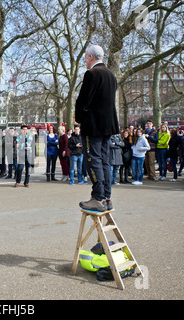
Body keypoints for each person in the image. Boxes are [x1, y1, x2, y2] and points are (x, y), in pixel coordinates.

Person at [75, 45, 119, 212]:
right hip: (107, 125)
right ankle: (107, 197)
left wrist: (79, 118)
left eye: (86, 58)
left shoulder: (92, 74)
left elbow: (83, 100)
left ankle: (98, 197)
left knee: (93, 160)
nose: (85, 61)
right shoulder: (111, 75)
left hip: (93, 125)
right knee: (104, 160)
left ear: (91, 57)